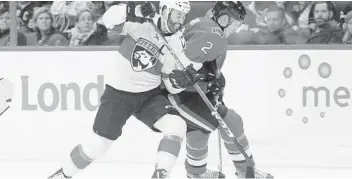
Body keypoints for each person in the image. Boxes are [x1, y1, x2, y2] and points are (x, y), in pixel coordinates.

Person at [47, 1, 194, 179]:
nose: (181, 20)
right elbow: (108, 20)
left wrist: (179, 82)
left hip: (149, 95)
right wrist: (132, 9)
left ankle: (161, 174)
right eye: (178, 14)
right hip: (118, 93)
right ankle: (63, 175)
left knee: (176, 124)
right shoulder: (144, 21)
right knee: (97, 146)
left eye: (184, 16)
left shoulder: (178, 42)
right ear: (164, 11)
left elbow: (169, 83)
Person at [160, 1, 274, 178]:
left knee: (199, 130)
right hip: (182, 95)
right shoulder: (215, 35)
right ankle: (246, 172)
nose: (235, 29)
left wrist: (214, 76)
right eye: (235, 23)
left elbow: (193, 61)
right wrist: (207, 76)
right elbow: (185, 70)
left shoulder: (202, 23)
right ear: (224, 19)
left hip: (185, 93)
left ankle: (196, 172)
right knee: (231, 122)